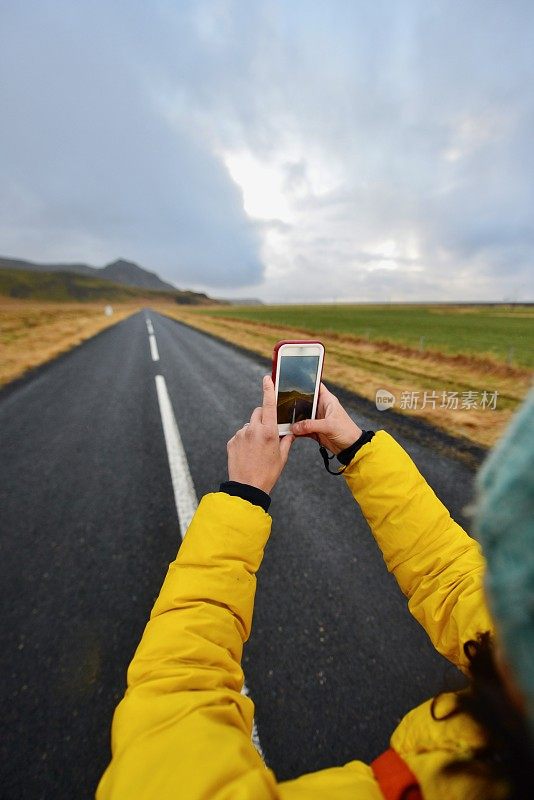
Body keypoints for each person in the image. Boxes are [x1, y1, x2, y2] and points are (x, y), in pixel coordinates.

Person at [96, 376, 534, 800]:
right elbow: (455, 578)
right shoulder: (517, 649)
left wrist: (242, 495)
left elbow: (169, 733)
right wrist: (358, 449)